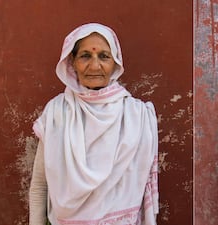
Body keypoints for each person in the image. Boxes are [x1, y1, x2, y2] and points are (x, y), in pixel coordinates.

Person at [29, 23, 159, 225]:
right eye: (85, 56)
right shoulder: (56, 112)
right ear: (72, 61)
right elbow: (39, 185)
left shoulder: (136, 114)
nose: (95, 66)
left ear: (115, 62)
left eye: (104, 56)